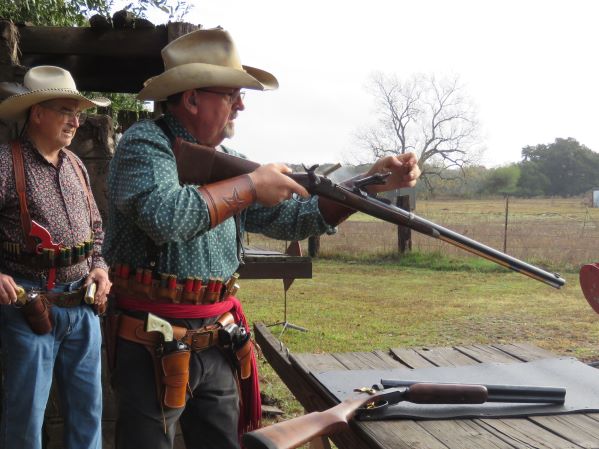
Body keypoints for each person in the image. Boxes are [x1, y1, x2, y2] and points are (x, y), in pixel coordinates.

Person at [104, 28, 421, 449]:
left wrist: (371, 181)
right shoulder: (144, 143)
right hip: (151, 340)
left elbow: (295, 218)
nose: (241, 104)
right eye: (231, 94)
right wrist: (252, 186)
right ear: (192, 98)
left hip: (217, 336)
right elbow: (166, 216)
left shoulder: (228, 162)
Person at [0, 65, 112, 449]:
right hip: (28, 305)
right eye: (66, 111)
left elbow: (96, 230)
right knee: (26, 420)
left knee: (88, 414)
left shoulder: (76, 165)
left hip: (83, 306)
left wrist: (99, 268)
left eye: (77, 114)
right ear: (37, 113)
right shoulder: (5, 163)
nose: (75, 122)